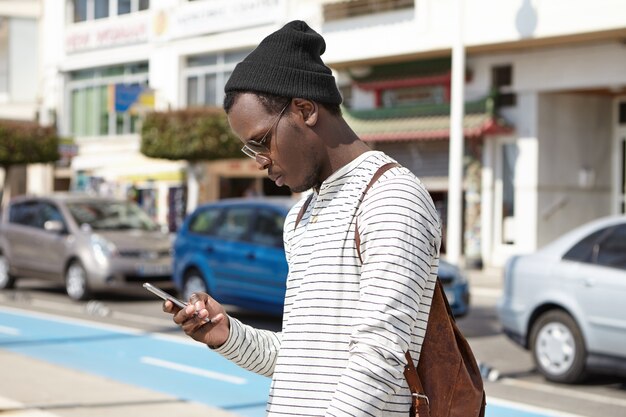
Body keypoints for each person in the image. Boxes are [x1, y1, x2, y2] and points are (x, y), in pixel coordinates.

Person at [164, 20, 442, 416]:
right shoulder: (301, 216)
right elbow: (301, 361)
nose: (260, 160)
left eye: (261, 141)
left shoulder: (390, 197)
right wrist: (226, 334)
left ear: (305, 110)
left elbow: (380, 360)